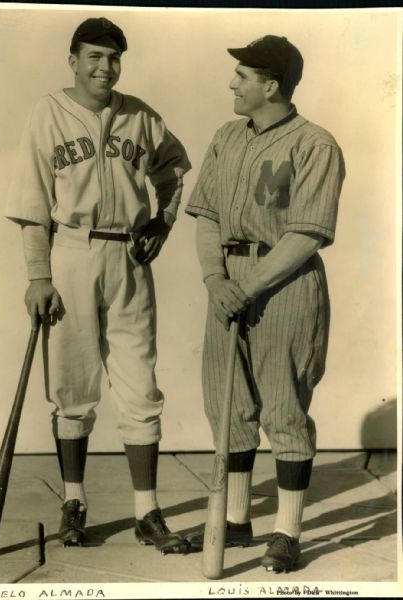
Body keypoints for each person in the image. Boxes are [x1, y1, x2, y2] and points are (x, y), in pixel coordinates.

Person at [6, 17, 191, 553]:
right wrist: (38, 275)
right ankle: (74, 502)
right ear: (73, 61)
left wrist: (164, 221)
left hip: (129, 256)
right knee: (73, 385)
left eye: (113, 58)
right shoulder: (48, 113)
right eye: (93, 56)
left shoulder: (140, 116)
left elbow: (175, 170)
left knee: (140, 384)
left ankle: (147, 511)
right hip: (71, 252)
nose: (104, 68)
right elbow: (31, 204)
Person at [185, 35, 345, 571]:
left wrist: (246, 286)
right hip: (226, 278)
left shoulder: (314, 143)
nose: (233, 83)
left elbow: (307, 235)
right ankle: (234, 523)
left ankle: (288, 531)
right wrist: (214, 277)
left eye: (243, 76)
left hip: (285, 281)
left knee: (283, 406)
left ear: (271, 85)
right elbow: (206, 214)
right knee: (227, 407)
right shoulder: (227, 136)